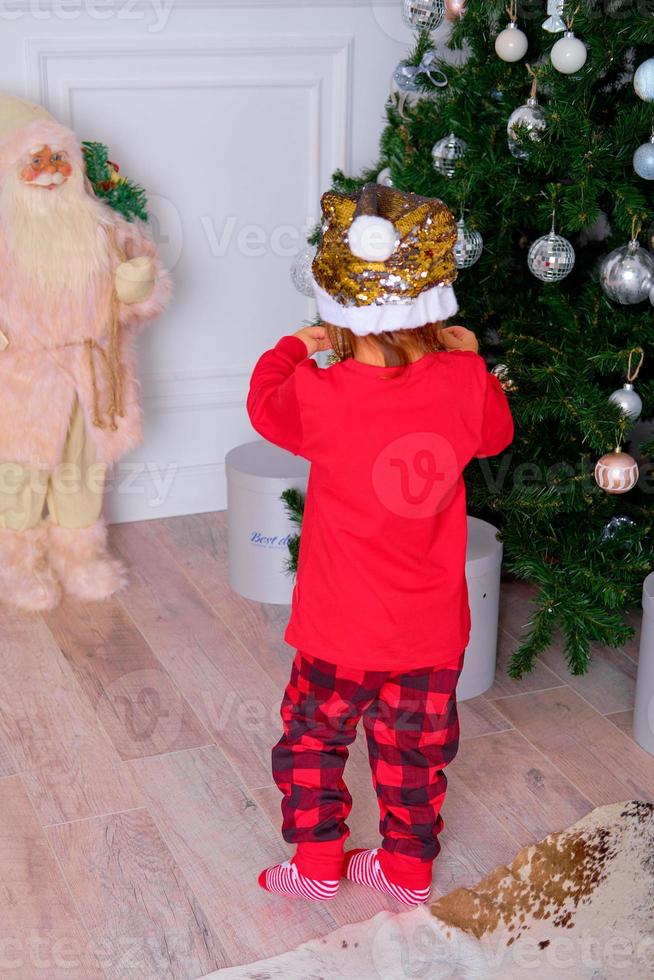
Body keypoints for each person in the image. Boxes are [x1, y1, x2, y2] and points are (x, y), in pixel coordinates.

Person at [247, 183, 513, 907]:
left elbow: (261, 405)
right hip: (429, 630)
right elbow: (497, 433)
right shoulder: (461, 381)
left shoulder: (317, 394)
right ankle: (406, 868)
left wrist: (290, 347)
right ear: (432, 308)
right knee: (413, 752)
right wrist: (474, 358)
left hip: (339, 626)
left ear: (336, 313)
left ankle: (319, 859)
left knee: (311, 738)